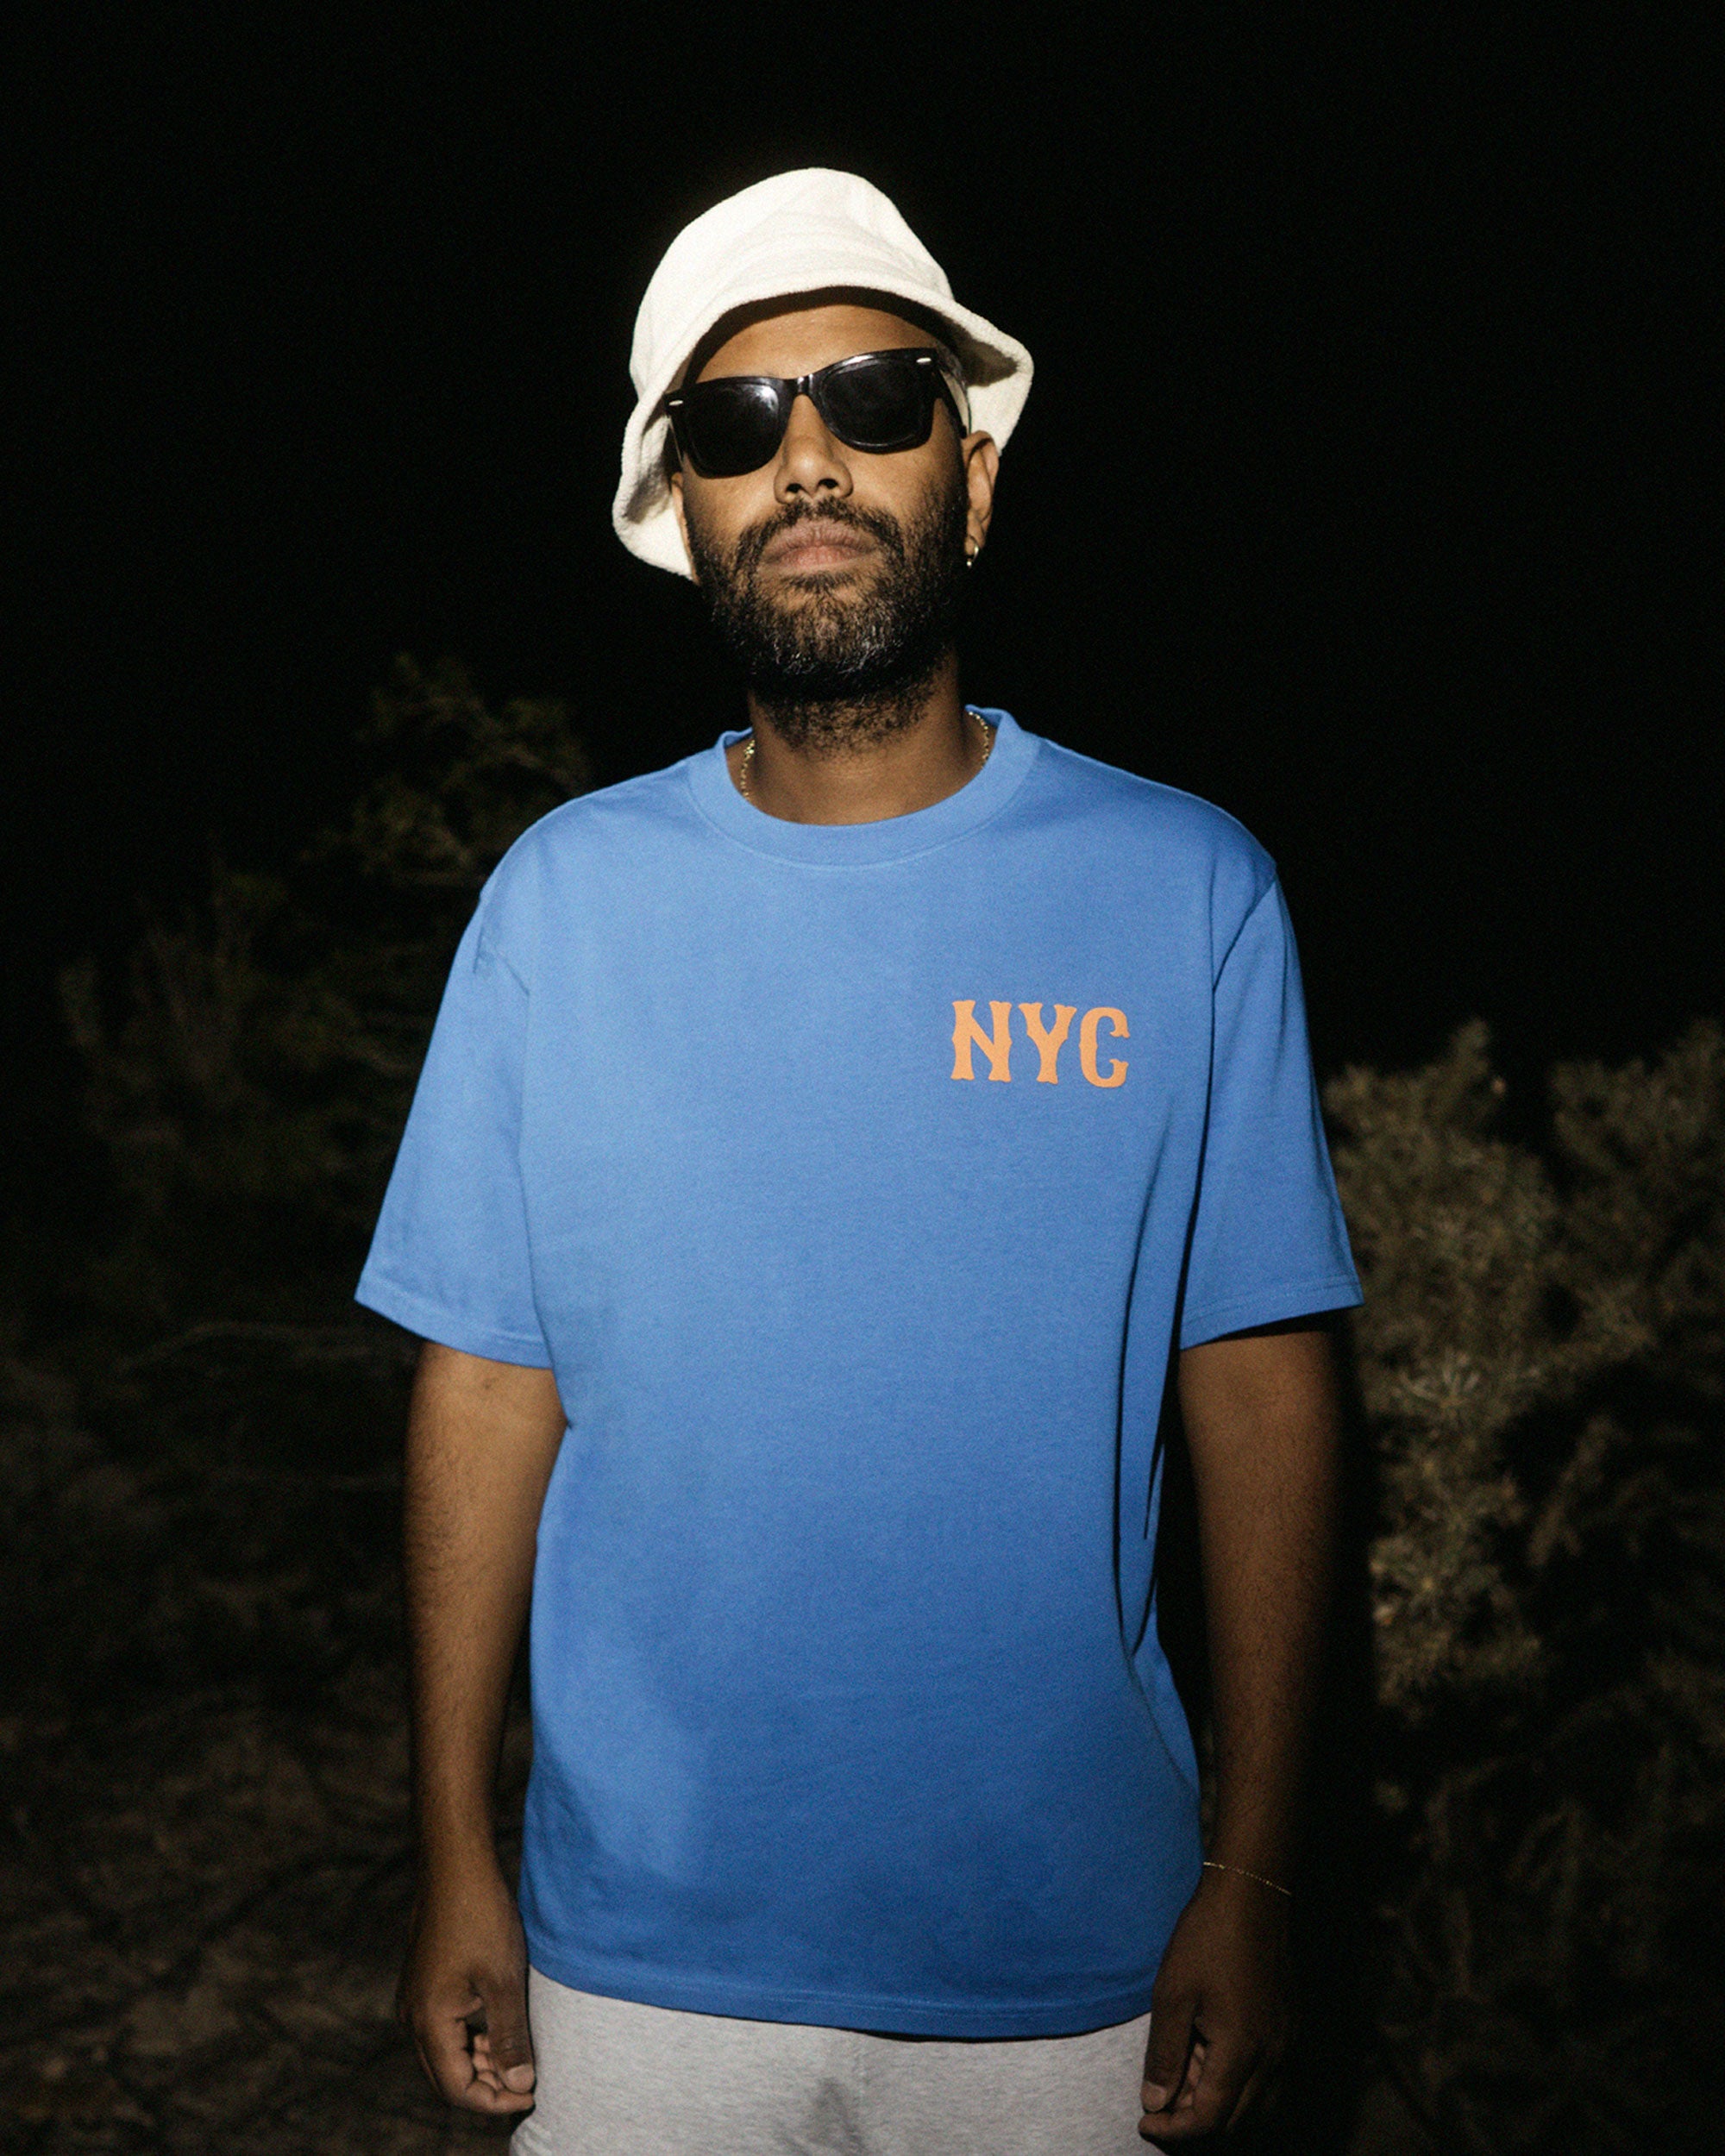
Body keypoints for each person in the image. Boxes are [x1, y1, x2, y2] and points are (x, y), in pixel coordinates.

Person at [359, 167, 1361, 2155]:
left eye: (874, 400)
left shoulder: (1185, 889)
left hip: (1076, 1971)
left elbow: (1258, 1387)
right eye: (738, 425)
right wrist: (455, 1845)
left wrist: (1252, 1875)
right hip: (636, 1972)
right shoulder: (561, 901)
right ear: (687, 514)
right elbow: (484, 1387)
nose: (806, 459)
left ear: (969, 480)